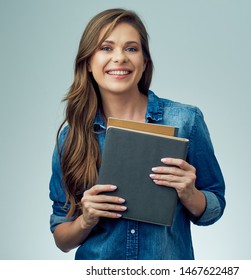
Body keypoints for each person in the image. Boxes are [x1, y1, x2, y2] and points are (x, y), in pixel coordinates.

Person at [49, 8, 226, 260]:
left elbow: (215, 207)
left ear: (144, 62)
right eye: (106, 48)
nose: (119, 58)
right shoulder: (71, 137)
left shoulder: (186, 120)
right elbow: (61, 236)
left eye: (131, 48)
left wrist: (191, 194)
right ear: (88, 62)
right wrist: (85, 220)